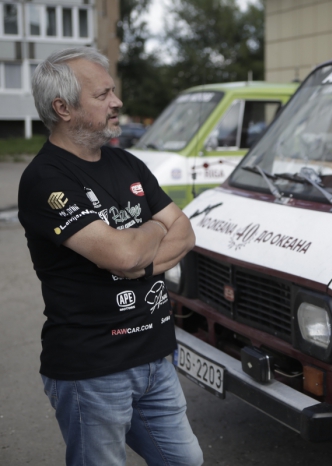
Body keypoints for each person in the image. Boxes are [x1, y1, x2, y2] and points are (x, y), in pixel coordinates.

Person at [18, 47, 203, 466]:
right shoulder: (45, 179)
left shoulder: (127, 163)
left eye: (113, 91)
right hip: (93, 369)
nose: (117, 102)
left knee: (185, 460)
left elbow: (186, 233)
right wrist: (154, 229)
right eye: (103, 95)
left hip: (156, 356)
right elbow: (122, 254)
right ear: (63, 108)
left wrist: (142, 261)